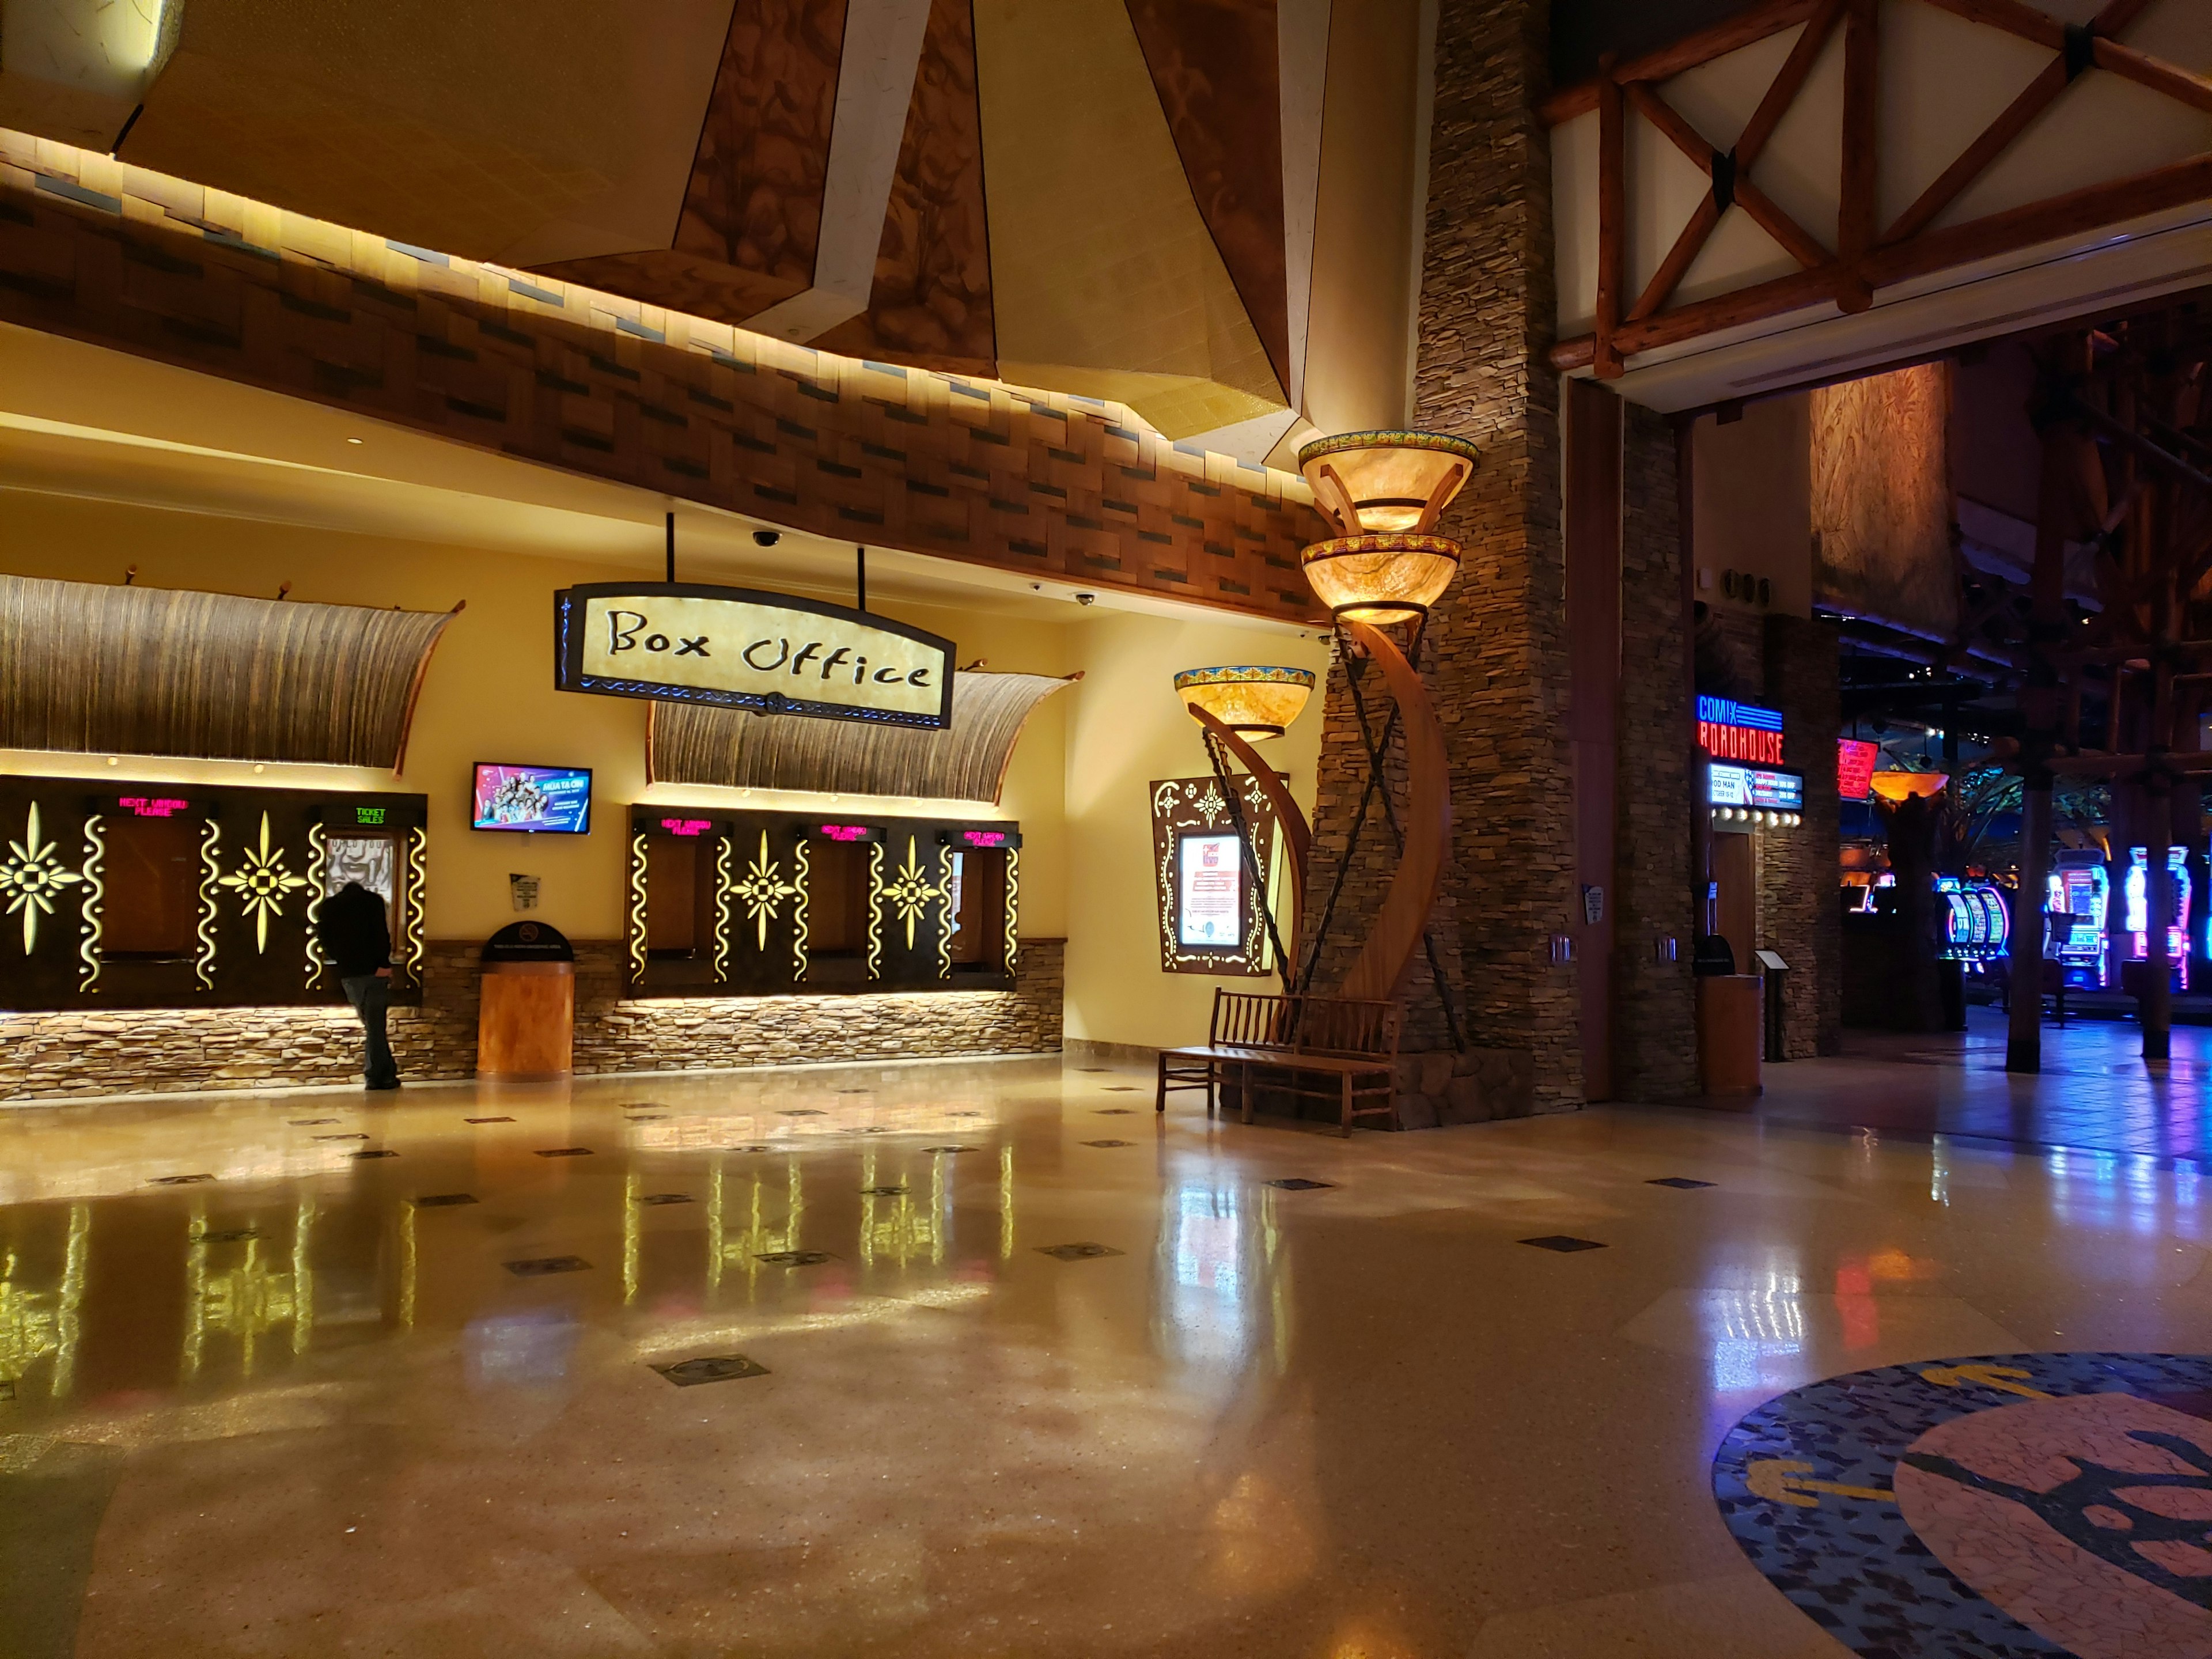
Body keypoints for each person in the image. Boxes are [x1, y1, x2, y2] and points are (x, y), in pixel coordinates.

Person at [319, 881, 399, 1090]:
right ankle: (380, 1075)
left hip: (349, 972)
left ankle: (383, 1074)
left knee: (372, 1026)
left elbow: (324, 939)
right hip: (375, 971)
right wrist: (384, 963)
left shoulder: (330, 906)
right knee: (376, 1025)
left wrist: (340, 959)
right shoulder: (374, 902)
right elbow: (381, 934)